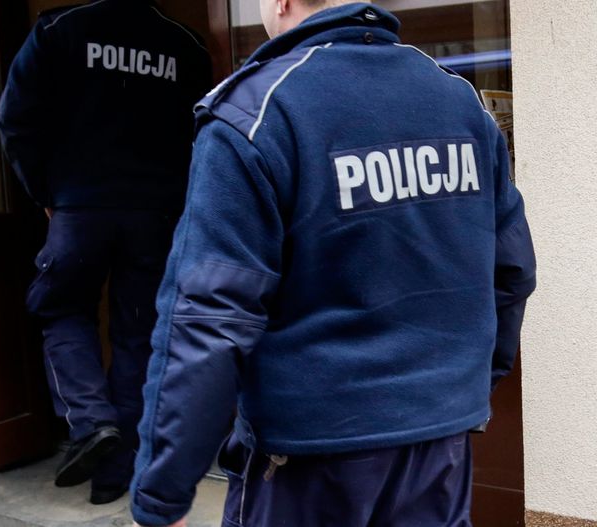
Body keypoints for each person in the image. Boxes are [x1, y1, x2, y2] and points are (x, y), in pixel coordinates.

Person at [129, 1, 536, 526]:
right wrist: (459, 386)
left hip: (309, 455)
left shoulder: (258, 112)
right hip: (437, 443)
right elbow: (512, 270)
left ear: (281, 2)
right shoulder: (456, 99)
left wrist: (162, 492)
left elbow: (209, 319)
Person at [0, 0, 212, 505]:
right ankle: (116, 475)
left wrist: (46, 191)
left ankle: (90, 422)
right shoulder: (184, 44)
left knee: (61, 308)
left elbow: (16, 117)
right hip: (156, 215)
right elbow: (202, 131)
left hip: (80, 209)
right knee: (138, 334)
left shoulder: (60, 29)